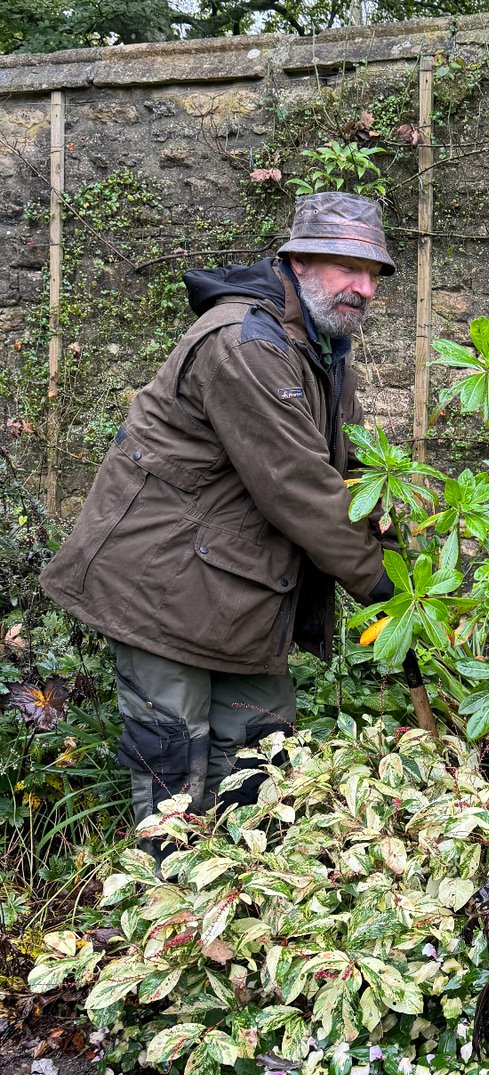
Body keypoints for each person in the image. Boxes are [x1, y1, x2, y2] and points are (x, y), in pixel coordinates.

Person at [40, 192, 396, 837]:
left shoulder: (324, 350)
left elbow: (354, 470)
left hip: (239, 590)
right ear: (301, 260)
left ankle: (245, 906)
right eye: (349, 267)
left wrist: (402, 549)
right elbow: (296, 484)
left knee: (263, 761)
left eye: (373, 273)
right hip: (162, 586)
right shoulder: (242, 341)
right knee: (175, 772)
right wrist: (382, 583)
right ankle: (169, 916)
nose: (364, 288)